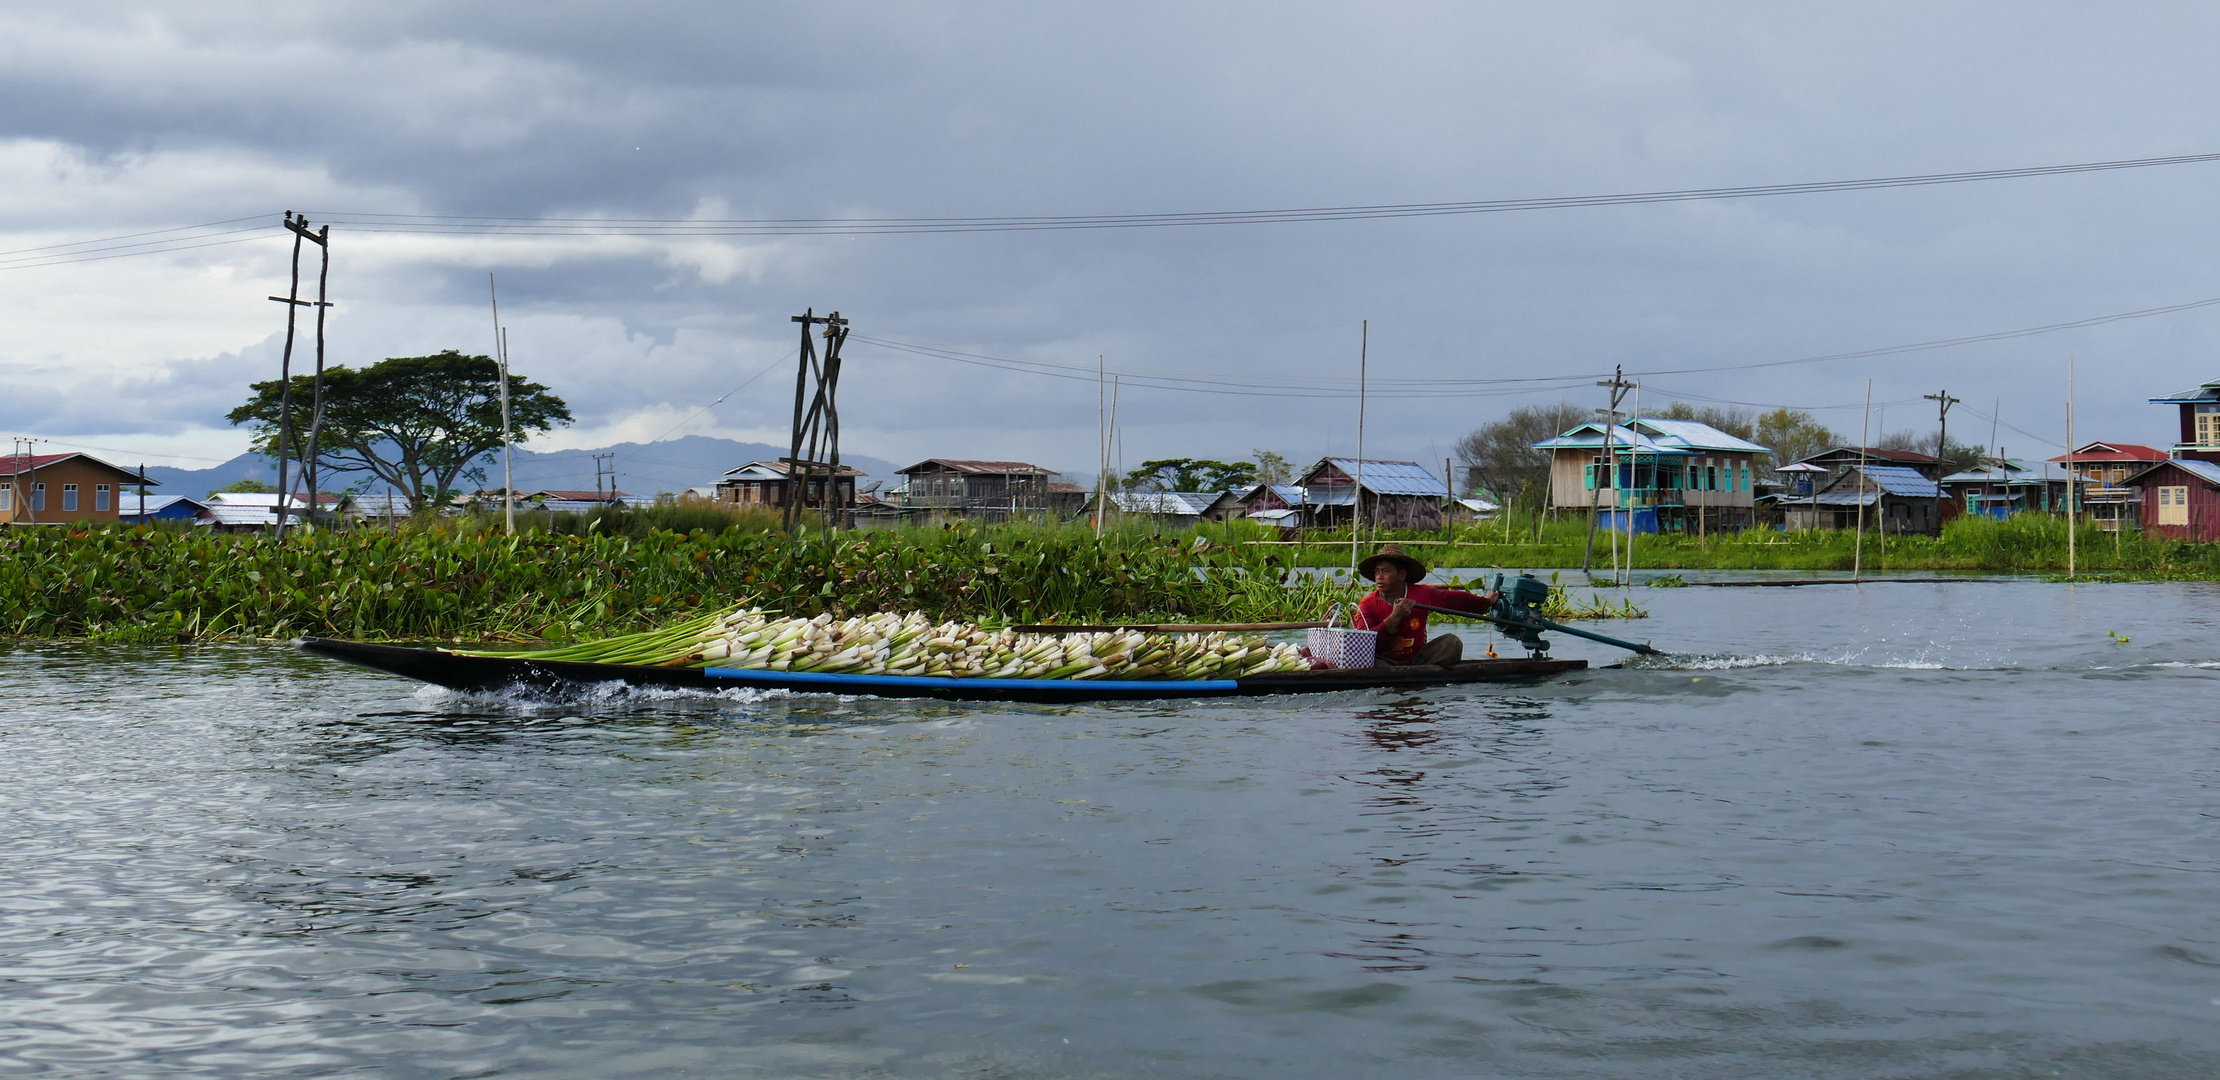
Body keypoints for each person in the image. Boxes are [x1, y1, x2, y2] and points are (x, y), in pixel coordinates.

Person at [1354, 543, 1499, 666]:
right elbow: (1361, 646)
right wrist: (1393, 619)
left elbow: (1453, 600)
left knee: (1451, 643)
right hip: (1383, 663)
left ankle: (1423, 674)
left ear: (1402, 575)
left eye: (1385, 571)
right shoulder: (1367, 604)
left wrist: (1485, 602)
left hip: (1418, 661)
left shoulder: (1422, 593)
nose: (1379, 576)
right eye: (1377, 571)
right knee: (1367, 662)